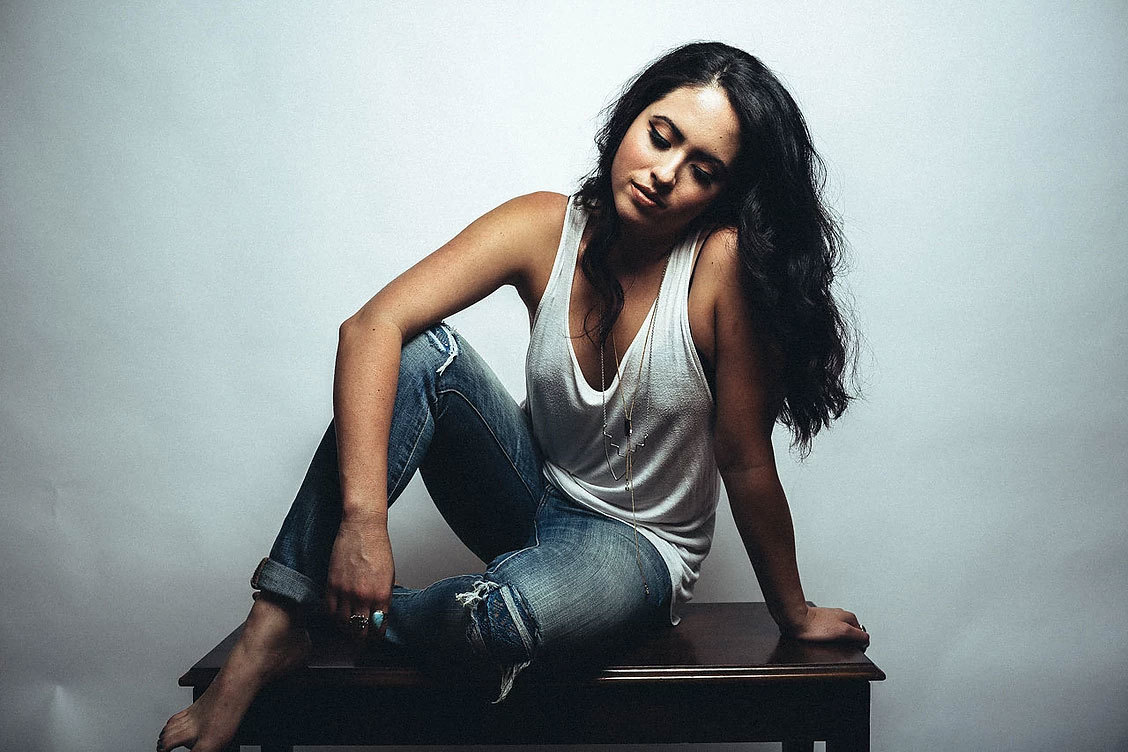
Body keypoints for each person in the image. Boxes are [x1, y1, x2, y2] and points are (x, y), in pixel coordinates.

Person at [158, 40, 870, 752]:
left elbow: (744, 457)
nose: (664, 174)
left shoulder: (718, 267)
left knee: (494, 623)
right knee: (421, 351)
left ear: (723, 194)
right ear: (631, 118)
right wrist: (363, 525)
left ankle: (329, 614)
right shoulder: (544, 227)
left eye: (702, 171)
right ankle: (273, 622)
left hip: (637, 548)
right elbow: (370, 327)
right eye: (661, 136)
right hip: (528, 494)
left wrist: (793, 612)